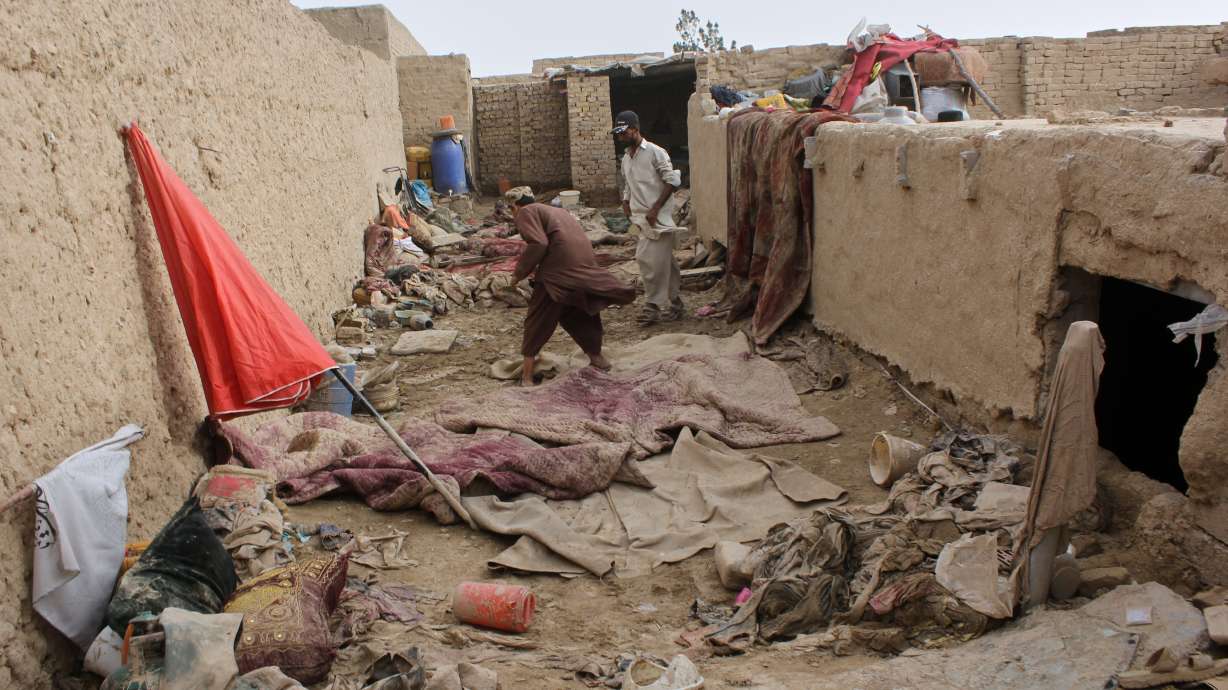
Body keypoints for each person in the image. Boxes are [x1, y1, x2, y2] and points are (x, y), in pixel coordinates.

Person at [507, 186, 636, 386]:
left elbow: (538, 243)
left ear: (515, 206)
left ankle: (527, 377)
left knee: (537, 318)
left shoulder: (525, 212)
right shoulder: (558, 211)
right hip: (584, 264)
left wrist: (518, 274)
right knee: (577, 312)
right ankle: (597, 358)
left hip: (558, 271)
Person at [613, 110, 684, 325]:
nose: (621, 137)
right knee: (665, 263)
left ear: (635, 129)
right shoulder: (626, 158)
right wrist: (626, 201)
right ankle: (676, 303)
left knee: (647, 260)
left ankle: (652, 306)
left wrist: (656, 208)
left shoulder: (655, 152)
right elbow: (628, 184)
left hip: (658, 219)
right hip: (641, 219)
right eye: (618, 134)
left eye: (624, 132)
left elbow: (672, 181)